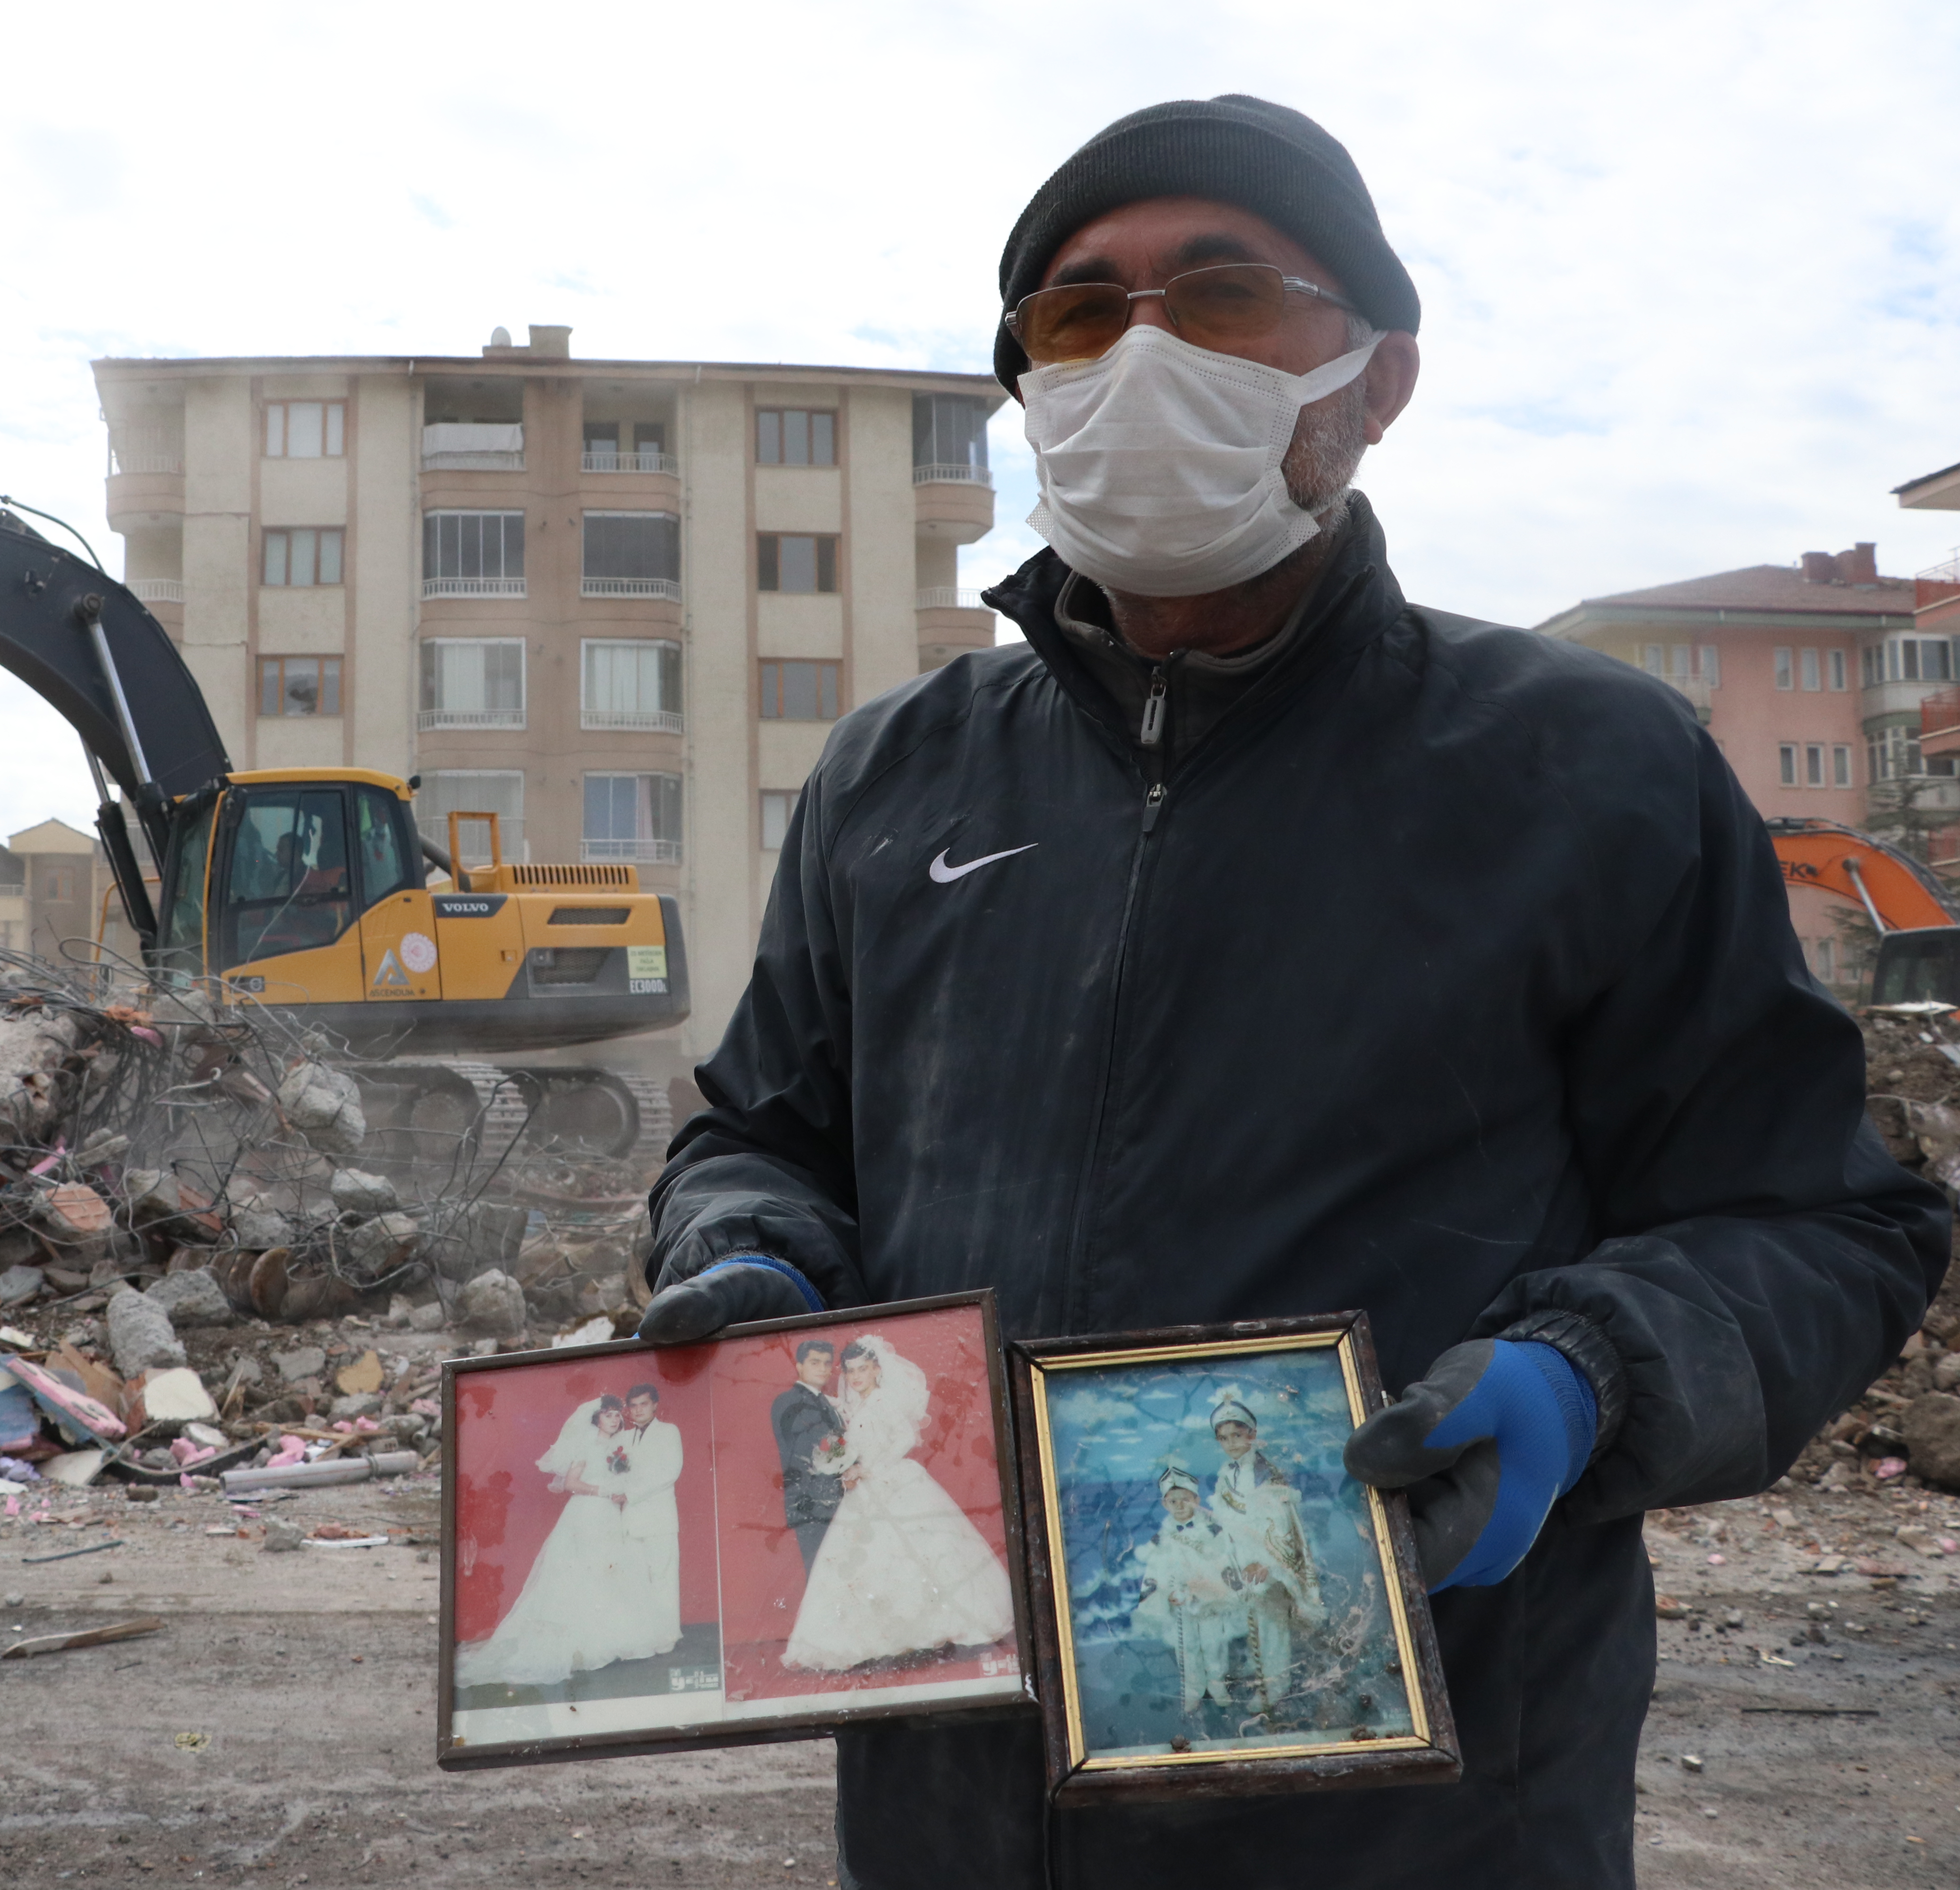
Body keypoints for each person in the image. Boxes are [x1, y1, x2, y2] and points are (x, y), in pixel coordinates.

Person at [636, 93, 1946, 1885]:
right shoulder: (896, 776)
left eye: (1222, 294)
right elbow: (762, 1131)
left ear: (1377, 378)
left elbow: (1818, 1226)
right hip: (956, 1787)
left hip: (1432, 1798)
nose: (1142, 351)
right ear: (1027, 388)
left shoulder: (1588, 765)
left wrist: (1586, 1374)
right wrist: (747, 1254)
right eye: (1080, 317)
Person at [781, 1338, 1019, 1673]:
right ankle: (884, 1639)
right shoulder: (854, 1408)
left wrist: (870, 1468)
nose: (856, 1377)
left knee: (912, 1554)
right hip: (865, 1488)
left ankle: (934, 1630)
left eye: (863, 1369)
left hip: (894, 1481)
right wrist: (845, 1466)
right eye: (850, 1371)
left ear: (877, 1370)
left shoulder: (882, 1400)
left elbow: (906, 1438)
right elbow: (851, 1446)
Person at [453, 1396, 671, 1687]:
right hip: (586, 1514)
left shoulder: (619, 1446)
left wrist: (620, 1489)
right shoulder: (587, 1444)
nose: (614, 1420)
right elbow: (570, 1483)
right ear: (596, 1419)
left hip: (610, 1516)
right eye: (608, 1415)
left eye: (617, 1415)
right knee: (583, 1570)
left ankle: (606, 1638)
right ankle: (580, 1644)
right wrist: (604, 1490)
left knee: (610, 1570)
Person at [1205, 1392, 1321, 1717]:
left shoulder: (1265, 1476)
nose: (1231, 1444)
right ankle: (1250, 1679)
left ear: (1252, 1435)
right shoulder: (1227, 1474)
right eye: (1224, 1438)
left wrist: (1266, 1563)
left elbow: (1279, 1526)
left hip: (1266, 1564)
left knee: (1272, 1627)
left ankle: (1275, 1688)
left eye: (1237, 1436)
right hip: (1238, 1558)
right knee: (1242, 1622)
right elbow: (1225, 1520)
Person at [1129, 1465, 1240, 1728]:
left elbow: (1225, 1564)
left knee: (1214, 1645)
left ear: (1197, 1501)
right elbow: (1155, 1569)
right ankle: (1193, 1691)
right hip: (1180, 1604)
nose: (1180, 1506)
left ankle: (1217, 1685)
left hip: (1209, 1601)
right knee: (1187, 1649)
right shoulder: (1163, 1539)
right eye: (1173, 1501)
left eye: (1186, 1500)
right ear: (1165, 1504)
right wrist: (1165, 1594)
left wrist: (1216, 1590)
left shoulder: (1212, 1533)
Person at [608, 1385, 685, 1657]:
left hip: (659, 1518)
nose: (638, 1410)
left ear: (655, 1405)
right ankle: (643, 1635)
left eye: (644, 1404)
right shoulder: (623, 1437)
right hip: (630, 1520)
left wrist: (629, 1493)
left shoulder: (669, 1432)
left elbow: (670, 1471)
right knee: (635, 1579)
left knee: (663, 1578)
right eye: (633, 1406)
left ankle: (667, 1636)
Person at [772, 1338, 848, 1572]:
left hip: (831, 1502)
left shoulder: (825, 1402)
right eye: (815, 1363)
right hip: (811, 1504)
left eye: (827, 1363)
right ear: (799, 1366)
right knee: (819, 1573)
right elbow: (820, 1447)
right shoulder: (790, 1401)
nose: (823, 1369)